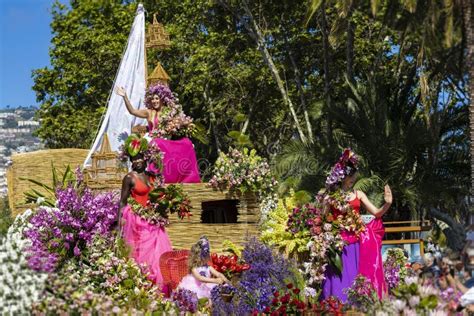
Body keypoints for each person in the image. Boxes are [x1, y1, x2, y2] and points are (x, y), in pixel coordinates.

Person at [321, 148, 391, 302]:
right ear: (343, 176)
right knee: (340, 278)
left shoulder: (359, 194)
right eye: (350, 176)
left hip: (358, 243)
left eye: (354, 175)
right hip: (339, 244)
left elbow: (377, 213)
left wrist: (387, 203)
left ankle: (359, 305)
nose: (353, 178)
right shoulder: (330, 196)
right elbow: (323, 219)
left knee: (357, 276)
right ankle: (337, 306)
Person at [117, 135, 172, 288]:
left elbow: (160, 197)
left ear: (146, 159)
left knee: (158, 255)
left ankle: (157, 289)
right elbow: (122, 201)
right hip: (138, 221)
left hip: (154, 221)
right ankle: (142, 286)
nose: (136, 161)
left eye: (139, 158)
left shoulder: (153, 177)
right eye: (133, 159)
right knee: (142, 254)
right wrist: (119, 223)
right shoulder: (129, 178)